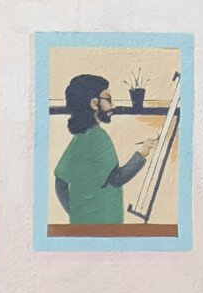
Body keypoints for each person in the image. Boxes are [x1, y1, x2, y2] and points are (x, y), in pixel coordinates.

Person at [53, 74, 155, 227]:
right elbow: (117, 178)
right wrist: (142, 154)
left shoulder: (80, 138)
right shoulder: (98, 138)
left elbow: (60, 181)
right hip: (106, 223)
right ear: (94, 103)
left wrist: (78, 212)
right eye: (108, 99)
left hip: (82, 224)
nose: (113, 106)